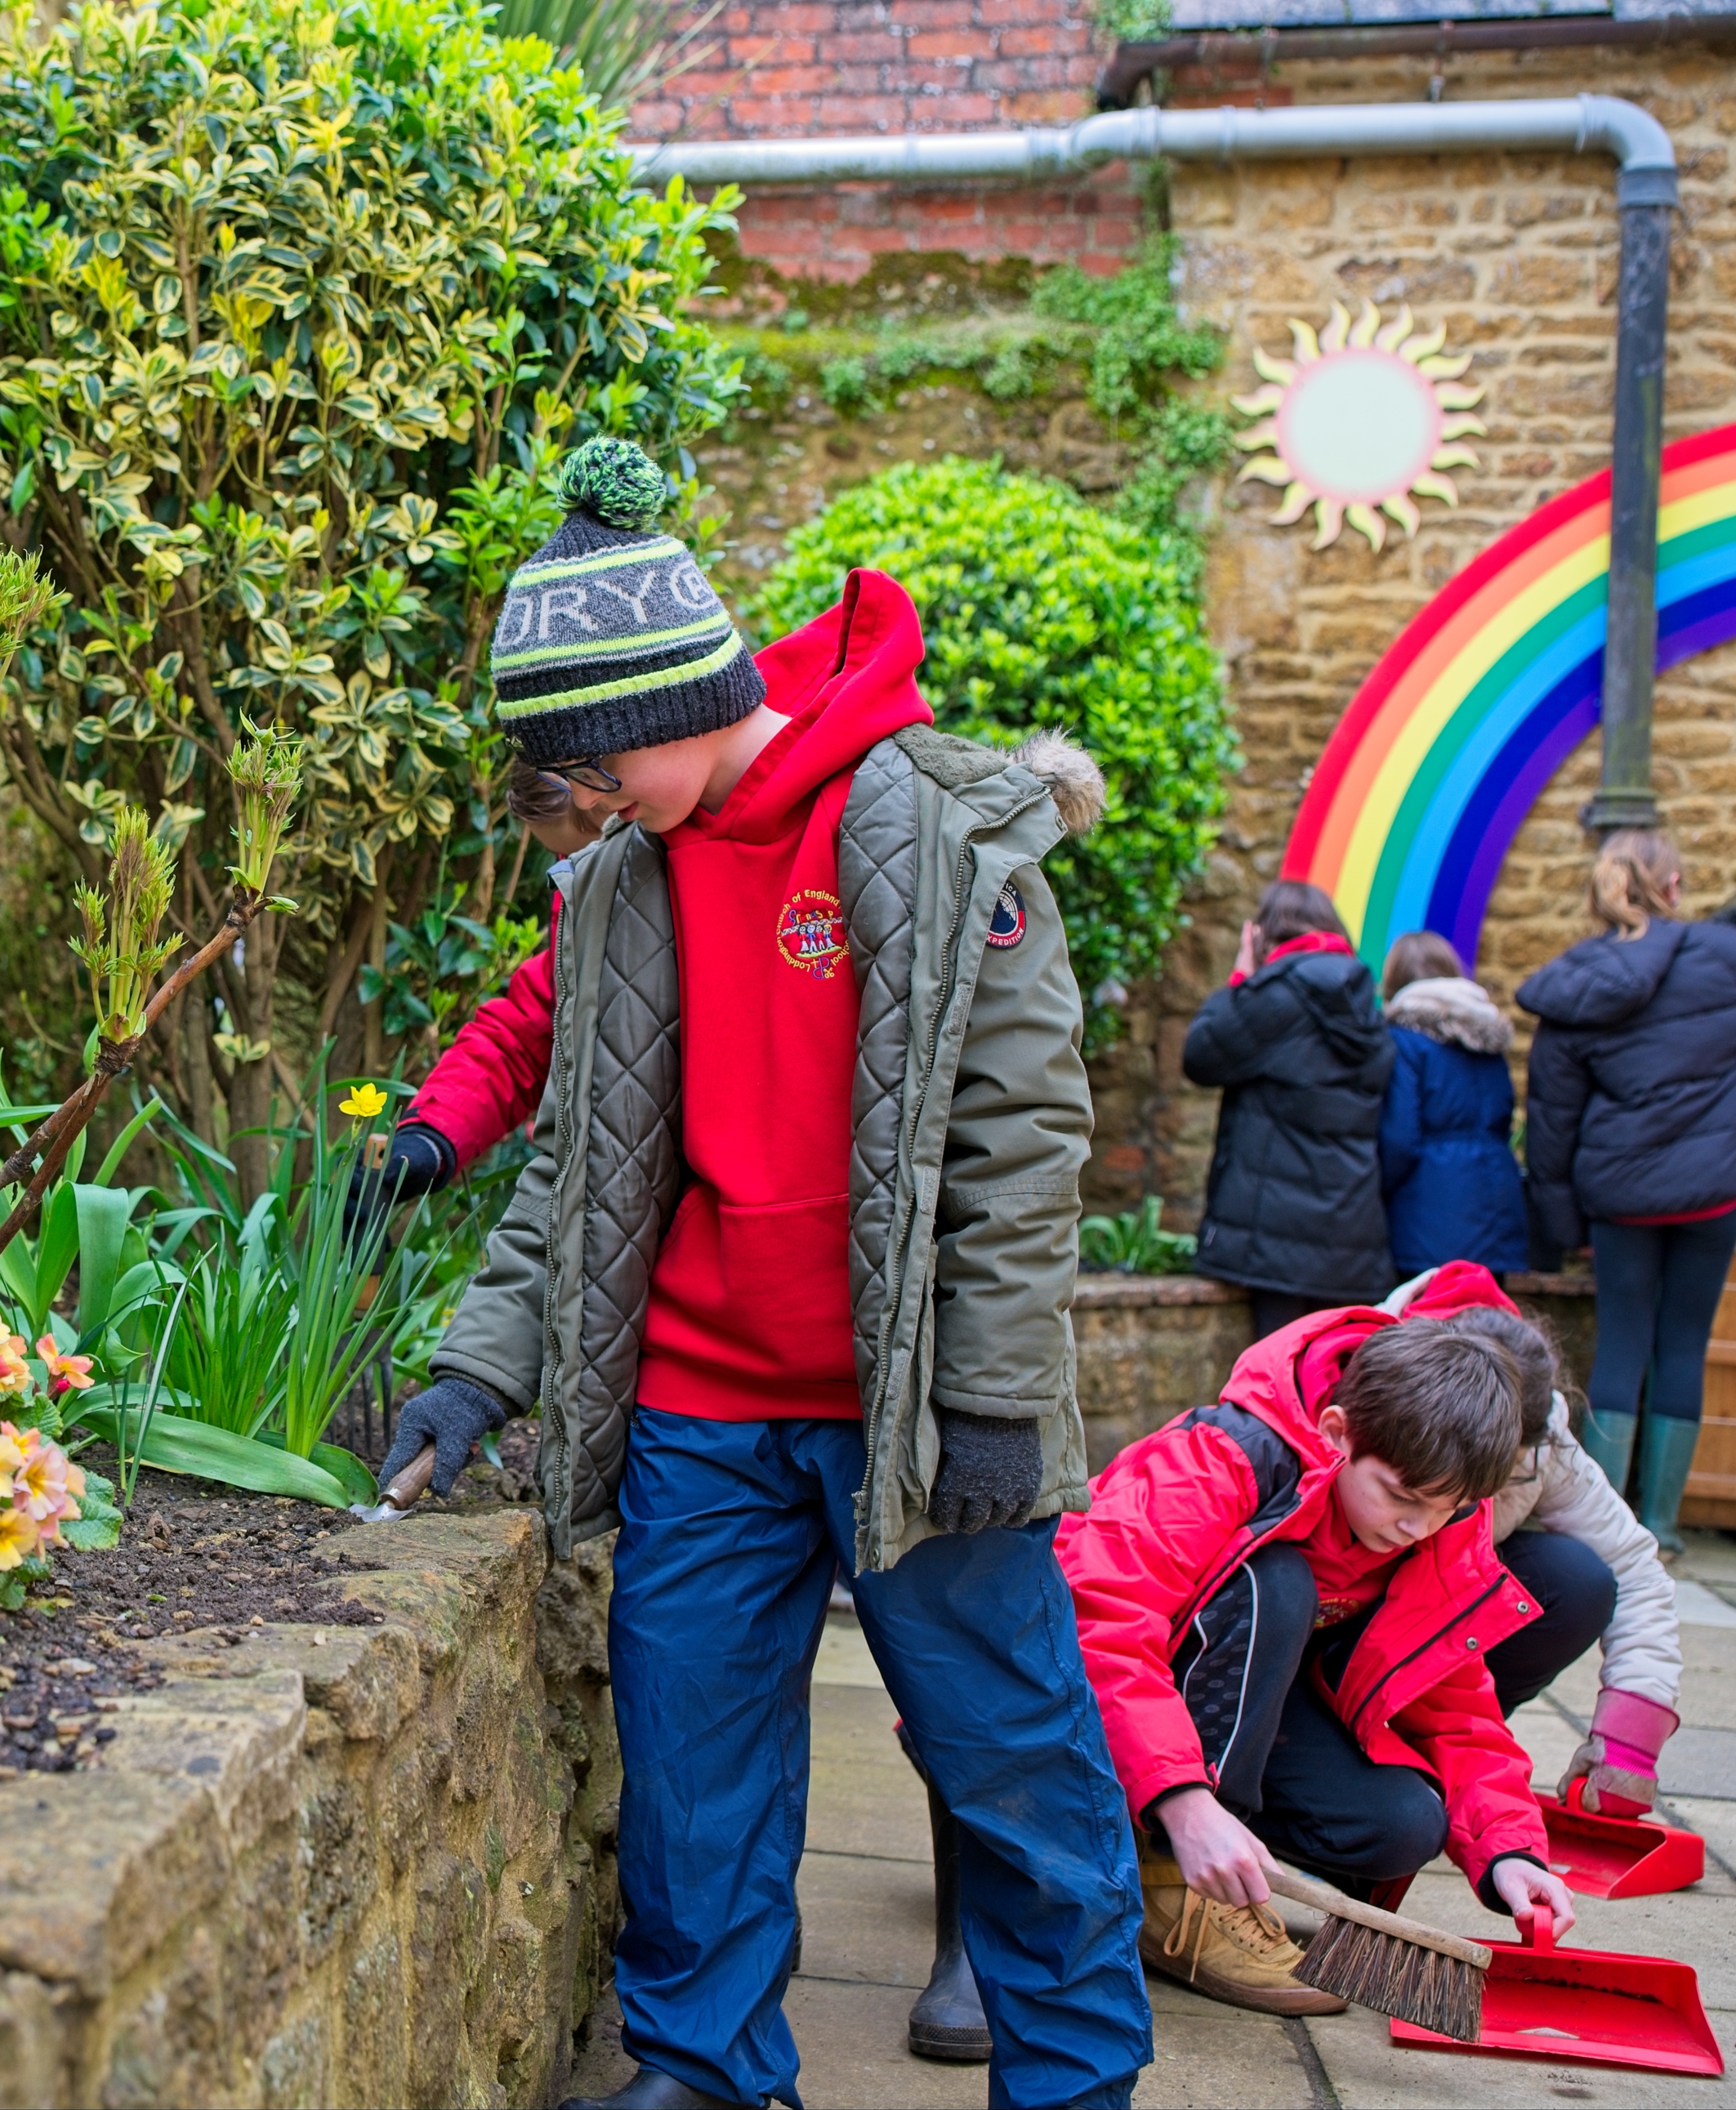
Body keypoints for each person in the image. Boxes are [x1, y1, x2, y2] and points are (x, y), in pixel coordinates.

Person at [390, 437, 1152, 2110]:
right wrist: (480, 1364)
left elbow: (1021, 1147)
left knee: (1012, 1759)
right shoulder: (626, 884)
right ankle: (710, 2070)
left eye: (588, 776)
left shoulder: (928, 833)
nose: (581, 814)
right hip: (703, 1407)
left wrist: (998, 1401)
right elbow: (582, 1166)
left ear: (656, 710)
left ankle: (1077, 2079)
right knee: (691, 1768)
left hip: (911, 1414)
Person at [1057, 1287, 1582, 2016]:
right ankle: (1170, 1875)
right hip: (1082, 1720)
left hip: (1234, 1717)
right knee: (1278, 1579)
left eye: (1445, 1508)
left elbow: (1460, 1708)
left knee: (1403, 1824)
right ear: (1338, 1432)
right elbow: (1099, 1622)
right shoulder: (1223, 1457)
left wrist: (1511, 1851)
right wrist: (1183, 1798)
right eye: (1401, 1496)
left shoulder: (1437, 1526)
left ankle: (1205, 1849)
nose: (1417, 1527)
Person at [1521, 827, 1736, 1555]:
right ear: (1672, 887)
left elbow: (1550, 1117)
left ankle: (1602, 1525)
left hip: (1621, 1198)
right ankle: (1662, 1526)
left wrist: (1558, 1222)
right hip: (1712, 1196)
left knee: (1622, 1342)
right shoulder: (1726, 956)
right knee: (1683, 1346)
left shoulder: (1577, 980)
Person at [1384, 1274, 1685, 1813]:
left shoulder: (1544, 1436)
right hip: (1348, 1620)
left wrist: (1629, 1741)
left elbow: (1634, 1569)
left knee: (1579, 1578)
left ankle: (1439, 1752)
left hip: (1435, 1617)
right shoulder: (1374, 1394)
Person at [355, 765, 602, 1211]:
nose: (580, 874)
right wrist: (429, 1140)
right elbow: (536, 1031)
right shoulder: (584, 882)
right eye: (565, 861)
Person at [1185, 881, 1395, 1340]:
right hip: (1351, 1233)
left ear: (1264, 934)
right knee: (1334, 1380)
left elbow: (1201, 1055)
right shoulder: (1363, 1002)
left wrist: (1241, 978)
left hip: (1278, 1240)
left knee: (1276, 1384)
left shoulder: (1277, 996)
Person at [1378, 932, 1529, 1276]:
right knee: (1487, 1325)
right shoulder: (1487, 1036)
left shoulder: (1403, 1042)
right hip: (1496, 1207)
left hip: (1428, 1216)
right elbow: (1503, 1120)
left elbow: (1399, 1138)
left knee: (1427, 1327)